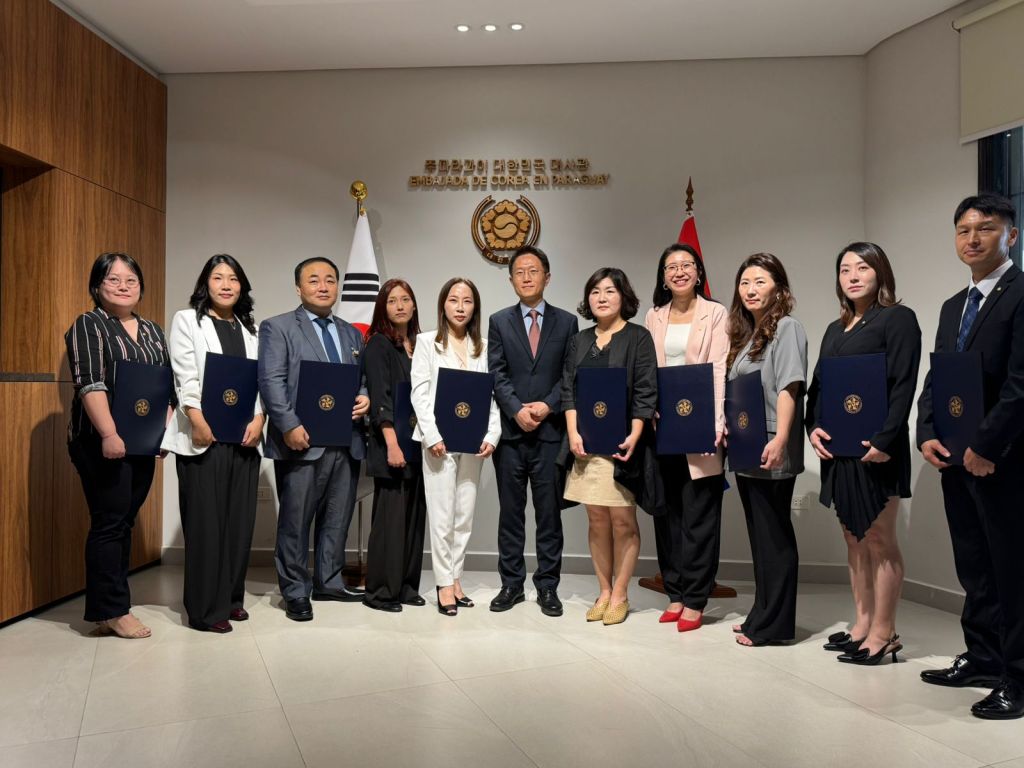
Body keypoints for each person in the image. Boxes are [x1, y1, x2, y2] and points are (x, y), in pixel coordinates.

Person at [917, 194, 1024, 719]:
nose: (973, 238)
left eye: (986, 228)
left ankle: (1018, 678)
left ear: (1012, 235)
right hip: (956, 459)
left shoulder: (1021, 293)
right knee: (974, 564)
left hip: (1006, 460)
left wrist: (985, 445)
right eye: (963, 230)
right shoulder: (952, 305)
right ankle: (982, 656)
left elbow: (1021, 385)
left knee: (1012, 571)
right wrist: (926, 432)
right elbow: (937, 377)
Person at [806, 242, 920, 665]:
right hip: (839, 451)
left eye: (862, 268)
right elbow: (819, 389)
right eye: (845, 270)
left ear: (880, 272)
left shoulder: (898, 319)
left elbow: (904, 383)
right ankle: (862, 624)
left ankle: (885, 632)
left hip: (878, 448)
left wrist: (885, 439)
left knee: (879, 538)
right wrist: (813, 427)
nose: (852, 276)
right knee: (853, 537)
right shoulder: (834, 329)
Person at [65, 252, 173, 639]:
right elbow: (90, 382)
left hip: (143, 442)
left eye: (131, 280)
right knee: (109, 523)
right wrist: (110, 434)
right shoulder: (89, 325)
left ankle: (109, 605)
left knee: (124, 521)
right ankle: (113, 611)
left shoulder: (153, 330)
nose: (123, 286)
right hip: (101, 442)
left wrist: (163, 433)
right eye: (113, 279)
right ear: (97, 286)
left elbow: (165, 385)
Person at [257, 257, 369, 622]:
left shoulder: (352, 333)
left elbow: (361, 379)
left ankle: (329, 581)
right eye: (314, 280)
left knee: (337, 517)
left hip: (345, 440)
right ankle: (295, 590)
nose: (323, 286)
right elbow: (271, 380)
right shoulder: (278, 327)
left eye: (330, 280)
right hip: (301, 441)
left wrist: (365, 396)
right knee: (295, 520)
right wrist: (288, 425)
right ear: (298, 287)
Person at [162, 254, 264, 633]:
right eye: (218, 277)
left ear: (242, 286)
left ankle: (231, 599)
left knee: (238, 524)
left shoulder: (251, 329)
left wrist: (260, 418)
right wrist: (197, 419)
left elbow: (260, 381)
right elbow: (184, 375)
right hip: (203, 437)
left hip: (243, 439)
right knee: (206, 526)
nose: (226, 285)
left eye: (233, 278)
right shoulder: (187, 320)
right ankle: (206, 610)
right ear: (206, 283)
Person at [562, 267, 657, 625]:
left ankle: (620, 594)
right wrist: (573, 433)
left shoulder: (638, 337)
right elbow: (568, 389)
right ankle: (603, 591)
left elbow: (646, 390)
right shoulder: (580, 340)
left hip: (621, 446)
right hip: (585, 447)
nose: (601, 298)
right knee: (597, 519)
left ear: (623, 297)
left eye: (610, 291)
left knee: (622, 521)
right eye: (595, 292)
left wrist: (635, 433)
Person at [487, 246, 579, 617]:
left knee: (549, 516)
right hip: (511, 436)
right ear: (511, 279)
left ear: (547, 277)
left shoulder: (567, 322)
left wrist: (547, 405)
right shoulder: (498, 321)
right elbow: (496, 373)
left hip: (550, 435)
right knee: (510, 514)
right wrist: (516, 409)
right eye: (520, 272)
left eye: (533, 270)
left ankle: (547, 587)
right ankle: (511, 585)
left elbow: (570, 374)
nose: (526, 277)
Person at [644, 244, 728, 633]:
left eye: (686, 265)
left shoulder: (716, 313)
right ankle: (674, 593)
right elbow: (647, 369)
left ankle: (695, 598)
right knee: (668, 514)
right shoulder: (654, 316)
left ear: (698, 272)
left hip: (701, 424)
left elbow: (718, 368)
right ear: (663, 277)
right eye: (671, 267)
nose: (679, 271)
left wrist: (716, 421)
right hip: (663, 425)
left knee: (700, 514)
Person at [725, 253, 808, 646]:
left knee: (774, 536)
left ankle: (775, 626)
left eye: (759, 281)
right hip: (747, 445)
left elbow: (790, 386)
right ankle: (761, 613)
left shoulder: (787, 328)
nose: (751, 289)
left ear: (778, 286)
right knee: (759, 535)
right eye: (744, 282)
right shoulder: (749, 333)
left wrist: (781, 438)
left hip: (771, 442)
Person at [411, 277, 500, 616]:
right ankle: (443, 584)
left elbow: (493, 395)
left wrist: (492, 434)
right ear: (443, 305)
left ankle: (456, 579)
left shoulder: (485, 347)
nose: (460, 307)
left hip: (474, 441)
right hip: (439, 442)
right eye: (453, 300)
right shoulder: (426, 342)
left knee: (464, 514)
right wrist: (432, 435)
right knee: (442, 515)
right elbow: (419, 393)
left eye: (467, 301)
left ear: (475, 307)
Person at [362, 279, 427, 612]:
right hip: (392, 444)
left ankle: (406, 586)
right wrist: (391, 444)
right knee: (391, 520)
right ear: (382, 308)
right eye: (392, 301)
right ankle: (380, 592)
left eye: (405, 299)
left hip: (419, 443)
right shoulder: (378, 345)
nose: (400, 306)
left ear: (414, 305)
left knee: (414, 518)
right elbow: (380, 398)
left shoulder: (421, 344)